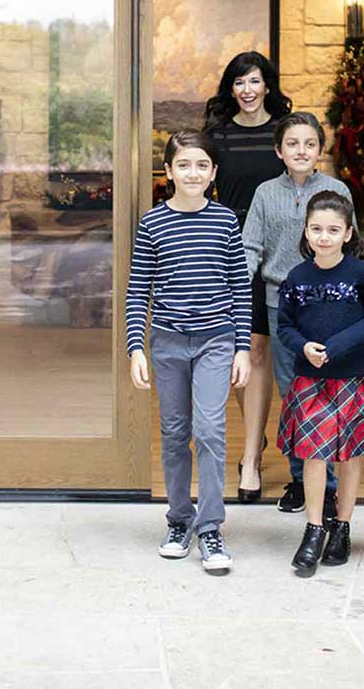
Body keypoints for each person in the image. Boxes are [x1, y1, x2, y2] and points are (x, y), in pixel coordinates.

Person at [127, 129, 251, 576]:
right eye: (184, 164)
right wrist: (135, 347)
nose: (193, 172)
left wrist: (242, 348)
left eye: (202, 164)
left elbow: (240, 286)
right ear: (168, 171)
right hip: (167, 343)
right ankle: (180, 520)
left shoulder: (224, 221)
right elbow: (138, 287)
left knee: (211, 429)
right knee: (176, 432)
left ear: (214, 172)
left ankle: (211, 525)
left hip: (217, 340)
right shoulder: (153, 223)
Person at [276, 190, 364, 577]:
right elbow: (284, 326)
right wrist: (304, 347)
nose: (324, 236)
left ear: (348, 234)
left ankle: (342, 527)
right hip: (312, 380)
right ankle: (314, 528)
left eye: (333, 230)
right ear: (305, 231)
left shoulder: (361, 276)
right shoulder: (297, 279)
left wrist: (336, 346)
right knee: (314, 454)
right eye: (316, 229)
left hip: (355, 377)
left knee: (350, 455)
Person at [243, 112, 353, 515]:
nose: (301, 150)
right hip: (280, 305)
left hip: (328, 306)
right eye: (292, 144)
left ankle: (327, 485)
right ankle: (299, 479)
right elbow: (251, 247)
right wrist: (237, 285)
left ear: (320, 150)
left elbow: (351, 244)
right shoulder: (265, 193)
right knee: (295, 394)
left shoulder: (336, 189)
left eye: (309, 143)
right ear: (279, 150)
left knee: (328, 390)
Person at [204, 51, 291, 500]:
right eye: (239, 83)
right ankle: (253, 442)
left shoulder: (283, 132)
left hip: (278, 248)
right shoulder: (217, 135)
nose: (247, 90)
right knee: (246, 349)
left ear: (267, 84)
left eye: (254, 80)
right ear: (231, 89)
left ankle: (253, 453)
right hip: (230, 247)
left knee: (266, 351)